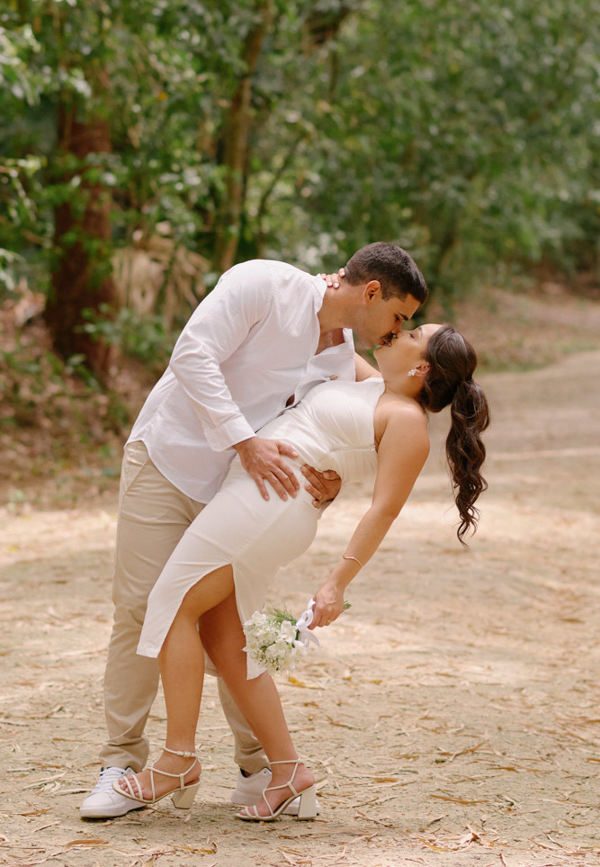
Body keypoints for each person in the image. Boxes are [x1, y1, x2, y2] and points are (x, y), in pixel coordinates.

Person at [80, 242, 428, 819]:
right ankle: (121, 759)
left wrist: (332, 482)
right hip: (170, 459)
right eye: (398, 316)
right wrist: (243, 440)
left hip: (243, 495)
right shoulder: (264, 283)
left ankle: (260, 765)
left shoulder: (342, 358)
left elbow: (344, 425)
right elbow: (192, 354)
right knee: (143, 608)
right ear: (371, 292)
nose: (397, 330)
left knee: (230, 623)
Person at [112, 323, 490, 821]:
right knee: (226, 640)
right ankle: (288, 770)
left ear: (422, 368)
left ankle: (176, 761)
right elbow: (337, 326)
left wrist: (336, 583)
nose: (399, 330)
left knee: (173, 606)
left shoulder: (406, 421)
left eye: (414, 331)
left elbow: (383, 510)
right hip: (256, 494)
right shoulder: (370, 381)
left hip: (268, 503)